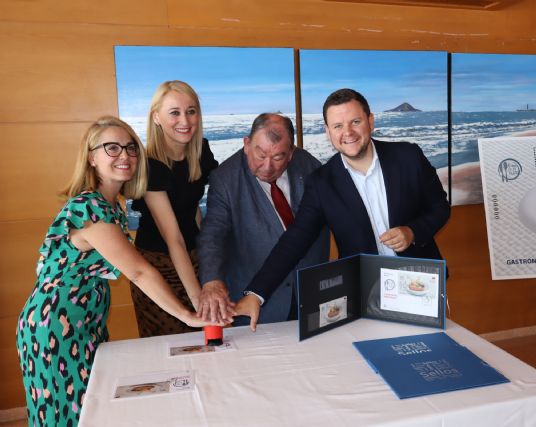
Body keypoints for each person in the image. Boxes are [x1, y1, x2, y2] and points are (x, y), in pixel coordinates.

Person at [16, 116, 214, 427]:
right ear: (91, 157)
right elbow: (138, 272)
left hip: (85, 323)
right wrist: (187, 315)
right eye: (112, 148)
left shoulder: (112, 206)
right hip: (55, 326)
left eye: (131, 148)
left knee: (92, 411)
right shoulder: (88, 208)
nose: (125, 155)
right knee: (69, 417)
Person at [235, 88, 451, 330]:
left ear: (370, 122)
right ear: (328, 132)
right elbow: (295, 240)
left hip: (419, 282)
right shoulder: (321, 183)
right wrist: (256, 293)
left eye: (355, 122)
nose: (347, 132)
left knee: (423, 356)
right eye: (337, 126)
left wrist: (412, 231)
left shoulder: (408, 156)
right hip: (363, 291)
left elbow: (440, 208)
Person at [197, 113, 329, 325]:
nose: (268, 167)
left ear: (291, 153)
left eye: (278, 158)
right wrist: (212, 281)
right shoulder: (225, 179)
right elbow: (213, 235)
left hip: (312, 293)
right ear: (247, 144)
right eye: (260, 155)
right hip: (260, 304)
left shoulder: (308, 164)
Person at [129, 81, 218, 337]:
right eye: (174, 112)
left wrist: (205, 254)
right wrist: (197, 298)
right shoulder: (150, 165)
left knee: (207, 343)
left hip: (191, 257)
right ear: (156, 117)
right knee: (172, 345)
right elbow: (173, 238)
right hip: (159, 268)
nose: (185, 120)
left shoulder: (201, 151)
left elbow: (192, 209)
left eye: (191, 111)